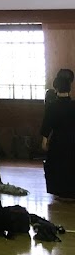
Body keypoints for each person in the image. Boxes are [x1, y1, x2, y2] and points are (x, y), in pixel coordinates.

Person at [40, 70, 75, 201]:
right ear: (69, 89)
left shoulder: (52, 107)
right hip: (73, 141)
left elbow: (46, 126)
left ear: (56, 89)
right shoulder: (74, 106)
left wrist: (44, 143)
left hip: (58, 142)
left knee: (57, 166)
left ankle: (60, 192)